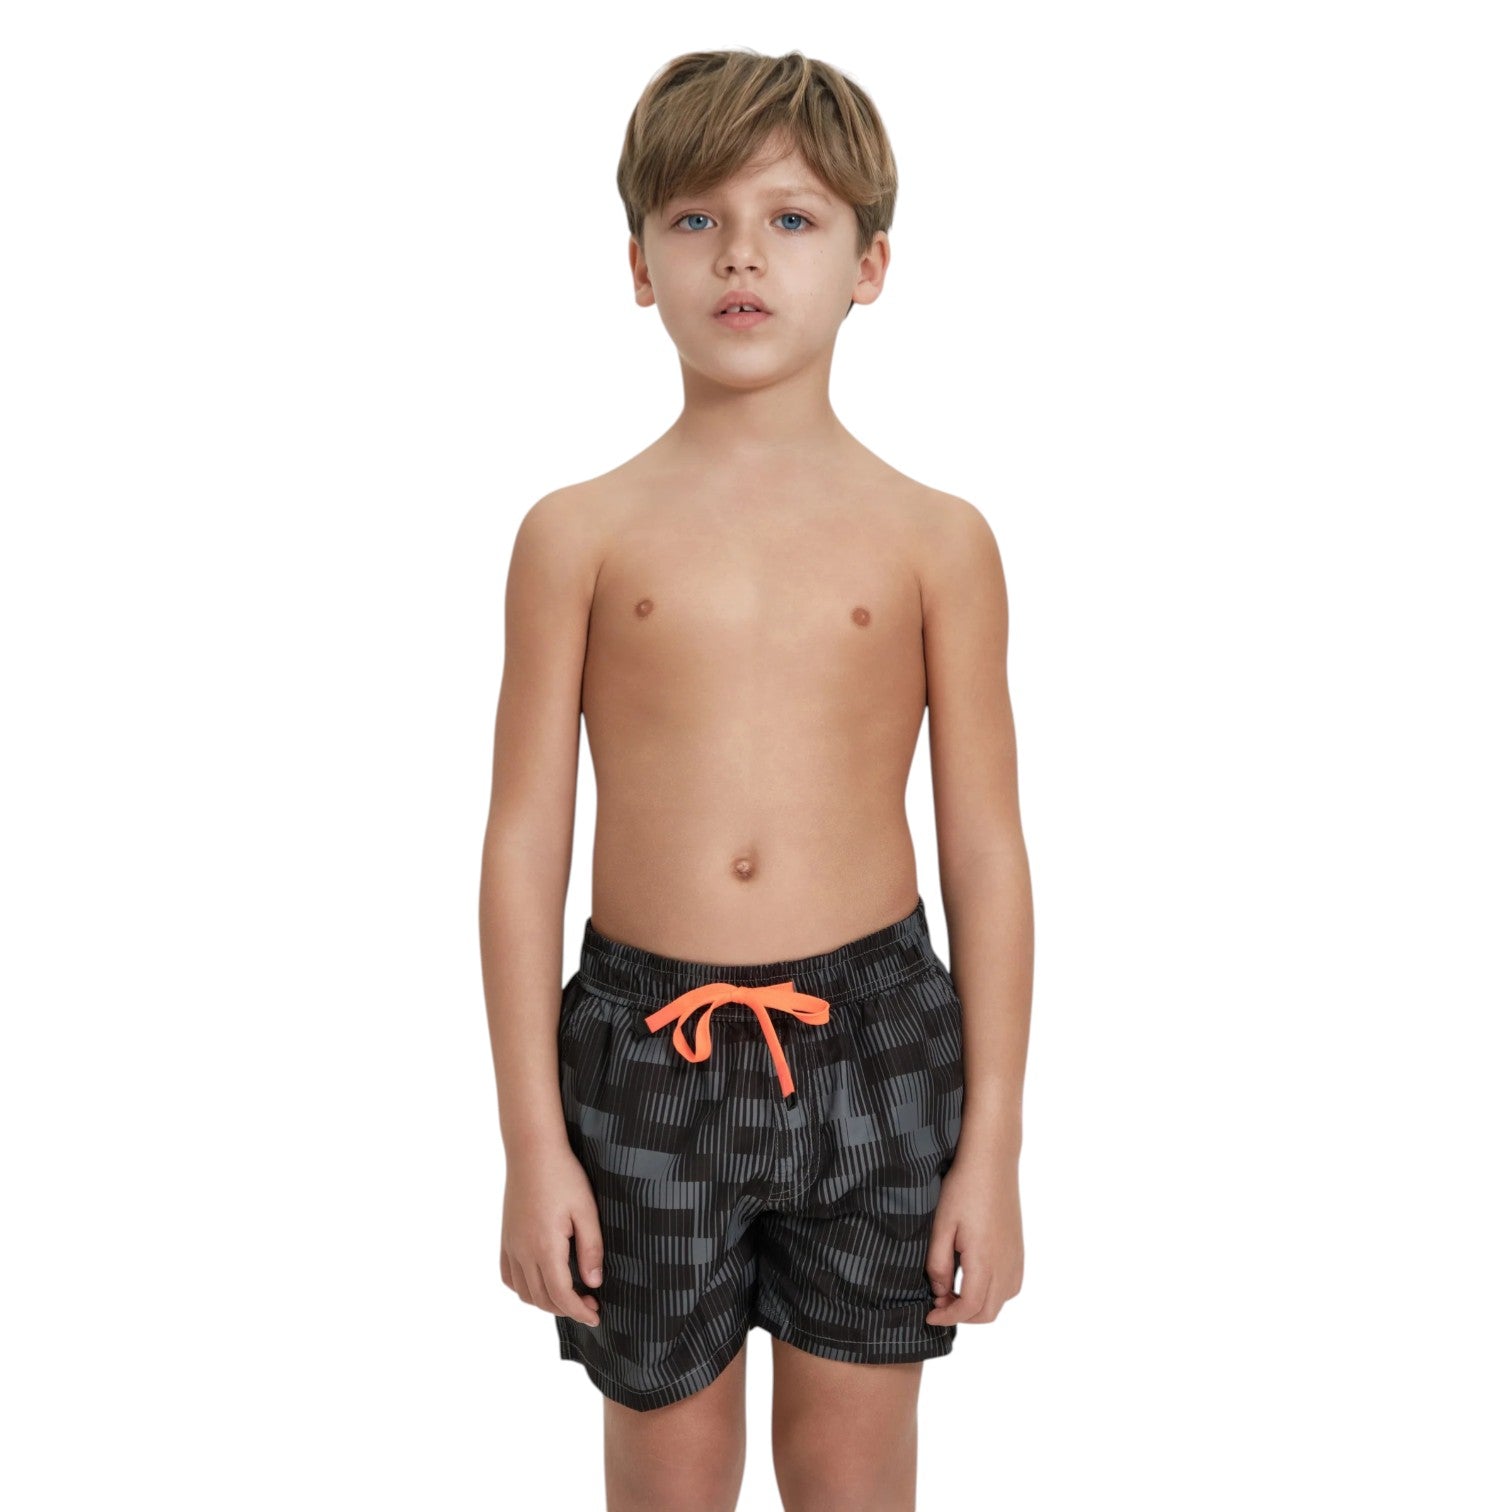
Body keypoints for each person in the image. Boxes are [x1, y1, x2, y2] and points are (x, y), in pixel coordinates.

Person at [479, 47, 1033, 1511]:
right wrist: (532, 1143)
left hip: (878, 1044)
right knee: (666, 1481)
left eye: (791, 219)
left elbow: (985, 846)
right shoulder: (575, 534)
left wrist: (994, 1142)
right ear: (638, 264)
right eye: (695, 219)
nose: (740, 254)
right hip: (640, 1054)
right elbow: (525, 839)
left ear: (870, 265)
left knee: (854, 1483)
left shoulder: (938, 539)